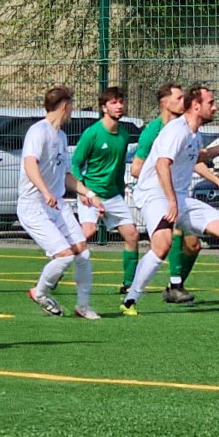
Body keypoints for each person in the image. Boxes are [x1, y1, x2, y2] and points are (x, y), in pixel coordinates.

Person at [122, 85, 219, 314]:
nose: (215, 107)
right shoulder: (176, 130)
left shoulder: (194, 133)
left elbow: (197, 156)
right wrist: (172, 202)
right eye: (211, 103)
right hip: (155, 195)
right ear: (196, 106)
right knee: (162, 244)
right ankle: (130, 300)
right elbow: (161, 164)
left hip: (178, 197)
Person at [19, 86, 104, 320]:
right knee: (64, 255)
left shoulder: (62, 136)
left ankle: (83, 306)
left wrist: (89, 193)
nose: (72, 111)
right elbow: (29, 164)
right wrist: (45, 191)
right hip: (33, 205)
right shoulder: (39, 131)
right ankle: (40, 292)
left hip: (56, 204)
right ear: (65, 106)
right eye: (72, 106)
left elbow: (66, 175)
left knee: (82, 253)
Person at [71, 87, 139, 297]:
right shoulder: (92, 133)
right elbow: (75, 163)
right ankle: (57, 266)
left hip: (113, 196)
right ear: (103, 107)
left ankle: (129, 284)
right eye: (113, 102)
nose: (119, 106)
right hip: (91, 193)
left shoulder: (124, 134)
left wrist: (120, 189)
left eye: (121, 102)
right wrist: (83, 191)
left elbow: (118, 167)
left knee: (132, 235)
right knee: (88, 232)